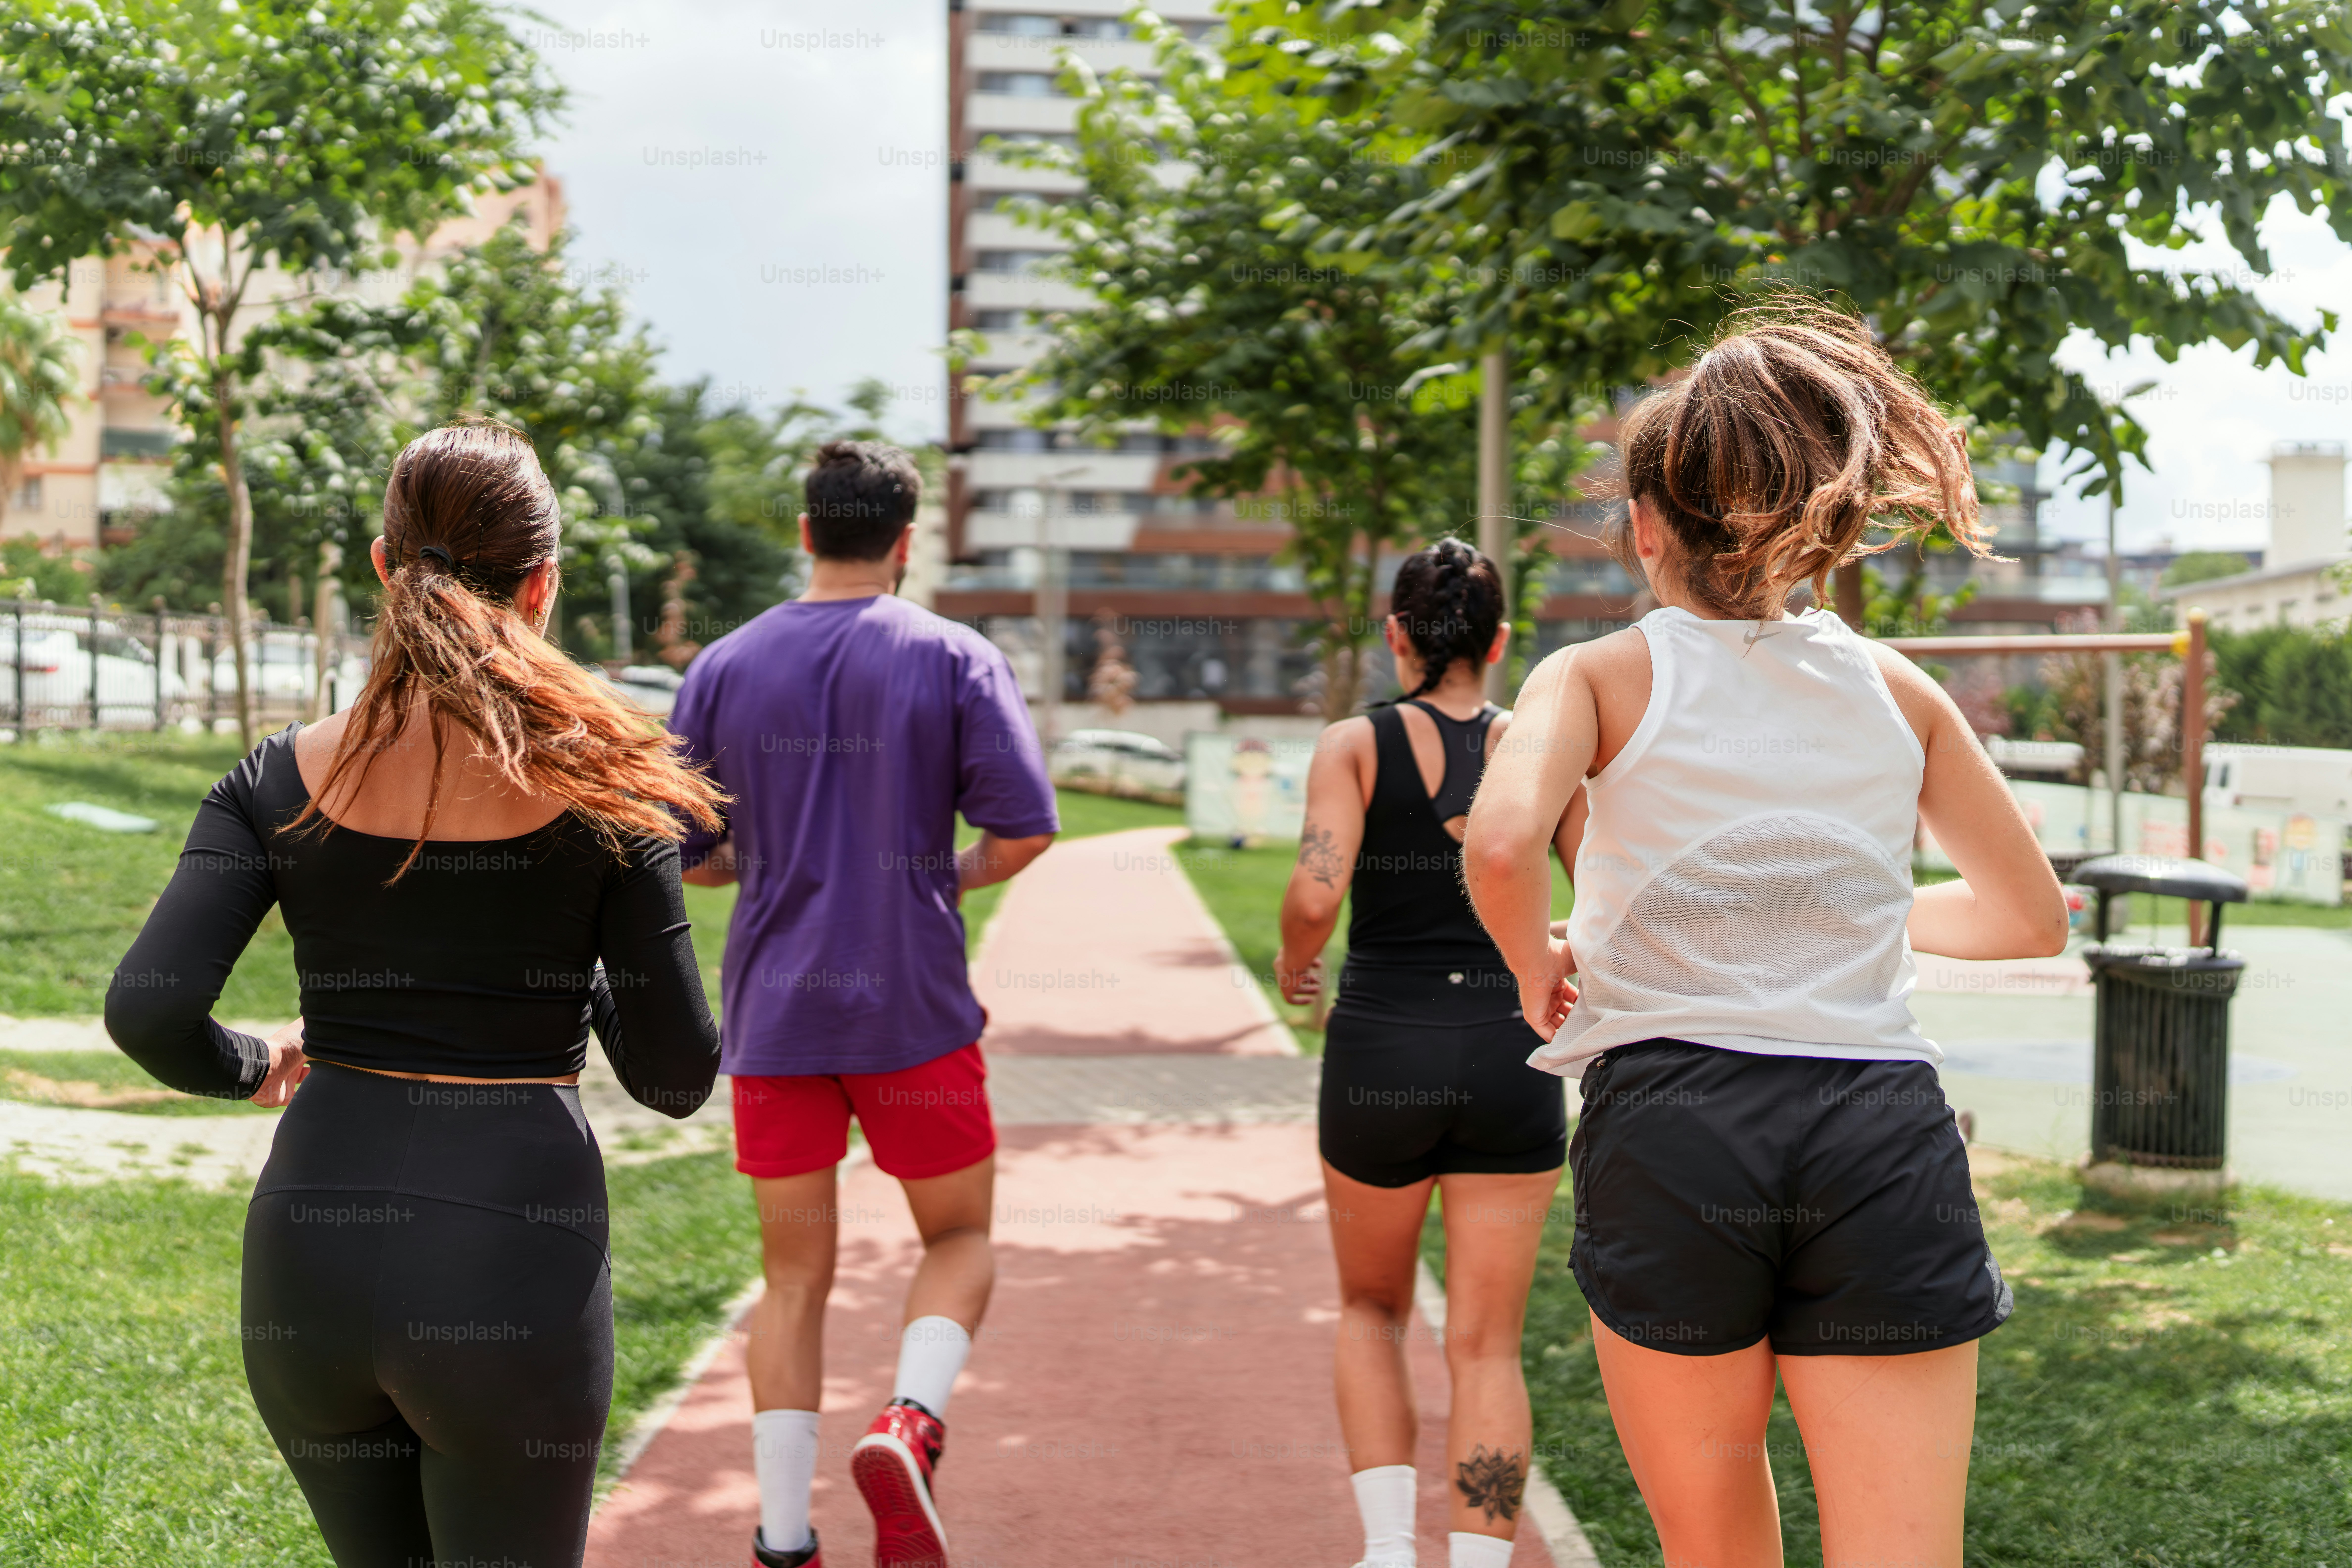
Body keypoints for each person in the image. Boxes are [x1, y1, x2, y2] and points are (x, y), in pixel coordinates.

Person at [1463, 303, 2069, 1568]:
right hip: (1879, 1127)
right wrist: (1828, 912)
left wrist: (1539, 967)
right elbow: (2027, 919)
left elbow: (1507, 844)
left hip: (1676, 1125)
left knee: (1717, 1549)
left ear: (1643, 529)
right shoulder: (1902, 688)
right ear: (1813, 521)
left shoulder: (1593, 674)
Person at [104, 419, 725, 1568]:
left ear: (387, 568)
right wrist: (578, 970)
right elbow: (679, 1076)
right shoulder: (610, 789)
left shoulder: (273, 778)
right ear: (544, 585)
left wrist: (254, 1062)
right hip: (509, 1259)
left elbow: (146, 1011)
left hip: (309, 1261)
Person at [670, 440, 1058, 1568]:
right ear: (904, 542)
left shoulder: (723, 667)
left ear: (805, 532)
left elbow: (689, 855)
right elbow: (1025, 830)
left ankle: (784, 1539)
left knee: (792, 1281)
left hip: (778, 1021)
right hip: (914, 1010)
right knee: (962, 1235)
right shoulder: (954, 655)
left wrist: (769, 855)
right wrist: (943, 876)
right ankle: (910, 1421)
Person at [1275, 539, 1571, 1568]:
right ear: (1497, 642)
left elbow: (1318, 895)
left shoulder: (1352, 745)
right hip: (1511, 1053)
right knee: (1488, 1342)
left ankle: (1391, 1551)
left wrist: (1292, 962)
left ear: (1396, 636)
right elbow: (1609, 893)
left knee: (1370, 1306)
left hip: (1380, 1052)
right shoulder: (1539, 747)